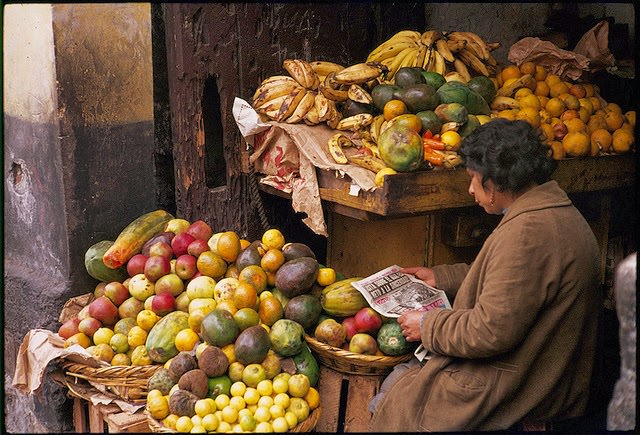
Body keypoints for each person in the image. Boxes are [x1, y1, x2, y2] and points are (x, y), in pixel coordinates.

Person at [368, 119, 602, 431]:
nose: (470, 189)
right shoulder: (556, 213)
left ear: (493, 183)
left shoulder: (528, 233)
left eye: (474, 180)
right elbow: (517, 284)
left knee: (393, 396)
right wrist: (444, 278)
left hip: (521, 387)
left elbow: (490, 331)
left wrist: (427, 325)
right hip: (536, 370)